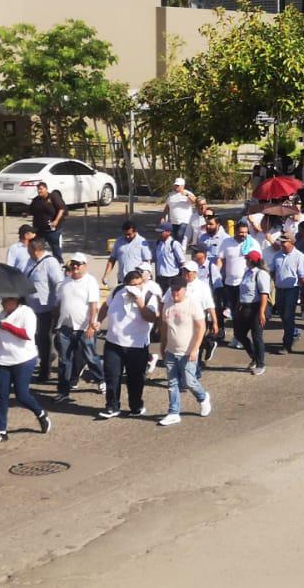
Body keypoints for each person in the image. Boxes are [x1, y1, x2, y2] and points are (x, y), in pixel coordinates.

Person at [0, 295, 50, 446]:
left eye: (7, 299)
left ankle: (40, 412)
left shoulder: (26, 313)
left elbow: (27, 334)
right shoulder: (1, 315)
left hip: (24, 359)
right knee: (1, 396)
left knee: (21, 395)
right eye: (2, 299)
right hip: (3, 360)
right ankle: (1, 431)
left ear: (16, 300)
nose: (3, 301)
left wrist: (8, 326)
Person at [97, 266, 160, 418]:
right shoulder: (118, 291)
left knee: (135, 379)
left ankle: (136, 406)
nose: (137, 287)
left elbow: (151, 317)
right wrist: (98, 321)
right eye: (133, 285)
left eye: (140, 284)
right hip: (113, 342)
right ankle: (112, 406)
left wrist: (139, 302)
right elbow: (105, 306)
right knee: (112, 376)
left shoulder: (150, 295)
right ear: (126, 285)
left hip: (136, 345)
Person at [159, 262, 216, 426]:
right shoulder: (168, 305)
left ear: (184, 290)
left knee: (190, 381)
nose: (174, 293)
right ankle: (173, 412)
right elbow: (164, 327)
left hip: (188, 350)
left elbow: (201, 327)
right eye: (172, 290)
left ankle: (203, 397)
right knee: (172, 383)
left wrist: (195, 348)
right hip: (171, 350)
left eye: (177, 290)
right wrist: (163, 346)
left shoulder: (192, 304)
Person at [52, 252, 104, 403]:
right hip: (65, 328)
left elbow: (93, 305)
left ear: (85, 266)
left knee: (91, 356)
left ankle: (101, 380)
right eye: (73, 263)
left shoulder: (90, 282)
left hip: (84, 328)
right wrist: (56, 324)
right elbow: (58, 305)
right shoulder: (64, 283)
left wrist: (91, 326)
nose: (75, 266)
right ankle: (63, 391)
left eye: (78, 264)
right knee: (64, 360)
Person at [20, 238, 64, 384]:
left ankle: (45, 371)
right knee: (36, 339)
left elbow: (59, 285)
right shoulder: (30, 261)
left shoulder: (50, 263)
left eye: (28, 249)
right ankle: (43, 362)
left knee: (43, 339)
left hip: (46, 309)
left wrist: (57, 307)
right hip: (30, 308)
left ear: (35, 249)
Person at [269, 235, 304, 353]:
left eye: (284, 242)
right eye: (281, 242)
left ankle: (286, 344)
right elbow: (272, 271)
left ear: (291, 242)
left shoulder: (299, 257)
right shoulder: (277, 255)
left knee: (288, 315)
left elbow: (303, 277)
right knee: (283, 315)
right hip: (279, 289)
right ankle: (294, 332)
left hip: (292, 289)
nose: (282, 244)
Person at [235, 250, 270, 374]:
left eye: (247, 259)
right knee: (239, 334)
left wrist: (261, 312)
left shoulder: (260, 274)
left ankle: (261, 364)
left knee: (257, 336)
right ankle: (254, 356)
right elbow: (243, 290)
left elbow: (264, 294)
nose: (245, 261)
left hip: (256, 308)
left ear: (251, 261)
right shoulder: (247, 273)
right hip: (244, 307)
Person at [28, 181, 67, 259]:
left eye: (41, 189)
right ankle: (38, 261)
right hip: (40, 229)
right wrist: (26, 213)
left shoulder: (53, 197)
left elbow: (61, 209)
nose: (39, 191)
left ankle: (59, 262)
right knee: (37, 246)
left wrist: (56, 221)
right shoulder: (36, 200)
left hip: (53, 229)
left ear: (46, 189)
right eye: (38, 189)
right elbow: (31, 210)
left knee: (55, 247)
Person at [162, 178, 198, 243]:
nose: (176, 187)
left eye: (178, 185)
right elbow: (167, 207)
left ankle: (179, 250)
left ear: (183, 186)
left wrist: (187, 195)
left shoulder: (188, 193)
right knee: (174, 238)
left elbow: (195, 201)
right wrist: (163, 216)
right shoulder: (171, 195)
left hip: (185, 221)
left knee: (180, 235)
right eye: (175, 185)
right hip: (173, 221)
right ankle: (176, 250)